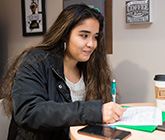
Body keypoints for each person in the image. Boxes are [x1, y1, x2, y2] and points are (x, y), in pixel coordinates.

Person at [0, 4, 126, 140]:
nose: (92, 44)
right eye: (84, 35)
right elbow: (28, 112)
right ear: (65, 35)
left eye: (95, 37)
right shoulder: (37, 60)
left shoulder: (92, 67)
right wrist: (95, 111)